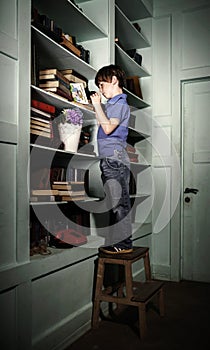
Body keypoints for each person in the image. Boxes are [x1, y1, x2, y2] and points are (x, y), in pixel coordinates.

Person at [90, 64, 133, 254]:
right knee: (115, 202)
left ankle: (123, 245)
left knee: (119, 204)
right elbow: (104, 123)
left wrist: (97, 105)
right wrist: (98, 107)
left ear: (114, 79)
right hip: (110, 159)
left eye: (102, 84)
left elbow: (107, 128)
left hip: (114, 159)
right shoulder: (113, 104)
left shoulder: (119, 103)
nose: (100, 89)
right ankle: (118, 243)